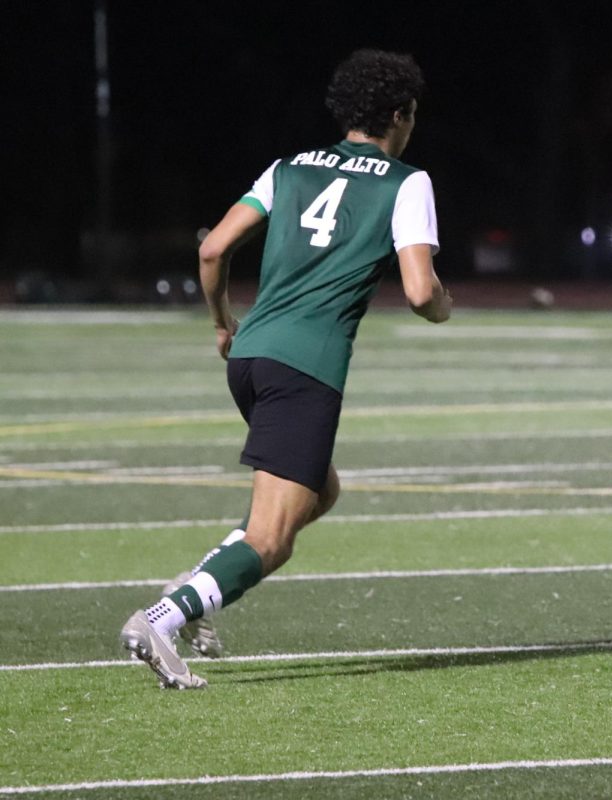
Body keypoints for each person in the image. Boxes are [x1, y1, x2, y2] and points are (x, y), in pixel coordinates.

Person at [119, 49, 451, 688]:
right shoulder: (407, 181)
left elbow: (213, 248)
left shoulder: (288, 166)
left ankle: (198, 587)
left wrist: (221, 322)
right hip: (306, 368)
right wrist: (443, 305)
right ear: (401, 115)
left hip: (249, 358)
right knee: (272, 538)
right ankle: (163, 616)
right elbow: (418, 291)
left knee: (318, 491)